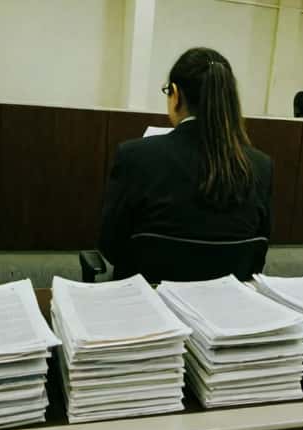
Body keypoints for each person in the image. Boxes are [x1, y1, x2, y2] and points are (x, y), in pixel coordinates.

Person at [98, 47, 273, 273]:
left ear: (175, 94)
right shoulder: (260, 165)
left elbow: (111, 246)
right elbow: (258, 252)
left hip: (150, 291)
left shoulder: (135, 156)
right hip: (227, 292)